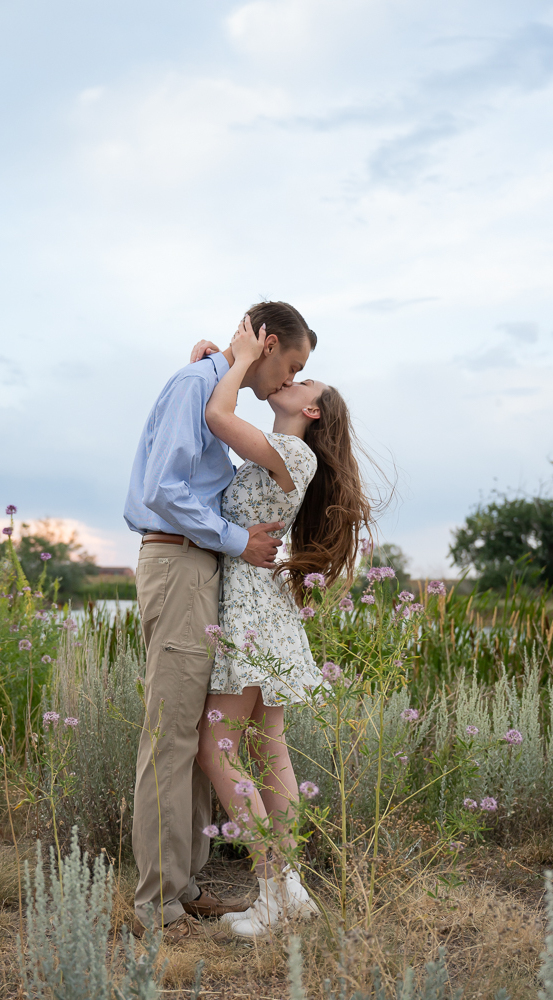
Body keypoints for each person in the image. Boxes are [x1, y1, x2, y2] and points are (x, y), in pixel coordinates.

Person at [123, 301, 317, 943]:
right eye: (289, 364)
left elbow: (214, 474)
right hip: (182, 562)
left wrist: (226, 366)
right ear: (265, 343)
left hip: (205, 568)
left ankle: (186, 884)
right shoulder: (199, 386)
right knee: (176, 734)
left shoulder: (217, 387)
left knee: (205, 733)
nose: (284, 381)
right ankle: (159, 901)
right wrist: (236, 541)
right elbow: (165, 489)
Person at [193, 316, 372, 937]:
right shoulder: (285, 452)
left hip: (247, 613)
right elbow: (223, 431)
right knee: (269, 753)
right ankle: (289, 887)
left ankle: (270, 888)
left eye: (303, 380)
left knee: (215, 749)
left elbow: (217, 419)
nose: (291, 380)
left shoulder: (290, 450)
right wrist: (220, 362)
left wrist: (238, 361)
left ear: (313, 412)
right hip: (262, 610)